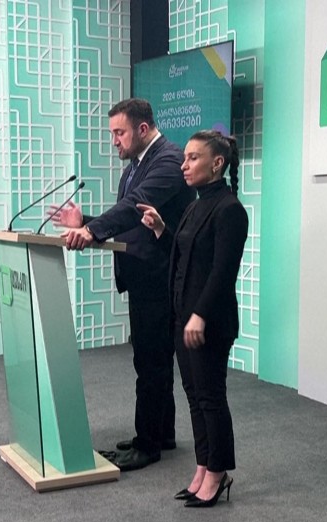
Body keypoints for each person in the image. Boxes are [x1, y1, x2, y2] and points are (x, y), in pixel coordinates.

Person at [50, 98, 195, 471]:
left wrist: (91, 231)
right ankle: (160, 433)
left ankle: (147, 445)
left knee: (151, 362)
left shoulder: (167, 161)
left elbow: (135, 206)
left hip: (161, 278)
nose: (114, 140)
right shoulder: (137, 165)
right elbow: (131, 219)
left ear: (142, 129)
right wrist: (86, 220)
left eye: (119, 132)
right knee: (150, 360)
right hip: (144, 277)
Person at [137, 130, 248, 507]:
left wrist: (199, 315)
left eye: (193, 158)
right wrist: (161, 230)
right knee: (195, 398)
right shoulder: (194, 207)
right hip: (184, 318)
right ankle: (203, 466)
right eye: (184, 158)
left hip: (209, 322)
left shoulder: (230, 210)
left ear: (217, 164)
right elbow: (184, 258)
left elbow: (222, 273)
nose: (183, 165)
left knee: (211, 398)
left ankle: (218, 472)